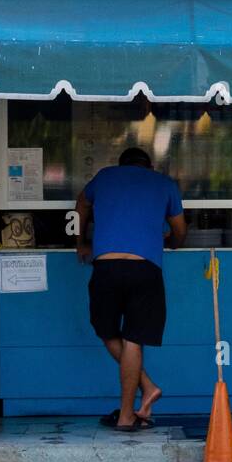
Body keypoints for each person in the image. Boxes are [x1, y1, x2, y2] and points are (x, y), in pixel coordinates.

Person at [75, 147, 186, 432]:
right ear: (149, 166)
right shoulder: (164, 183)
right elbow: (180, 232)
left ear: (120, 164)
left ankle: (143, 395)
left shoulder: (104, 177)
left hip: (107, 268)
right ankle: (135, 404)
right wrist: (170, 242)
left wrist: (80, 241)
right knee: (134, 339)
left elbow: (81, 204)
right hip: (145, 269)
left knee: (107, 332)